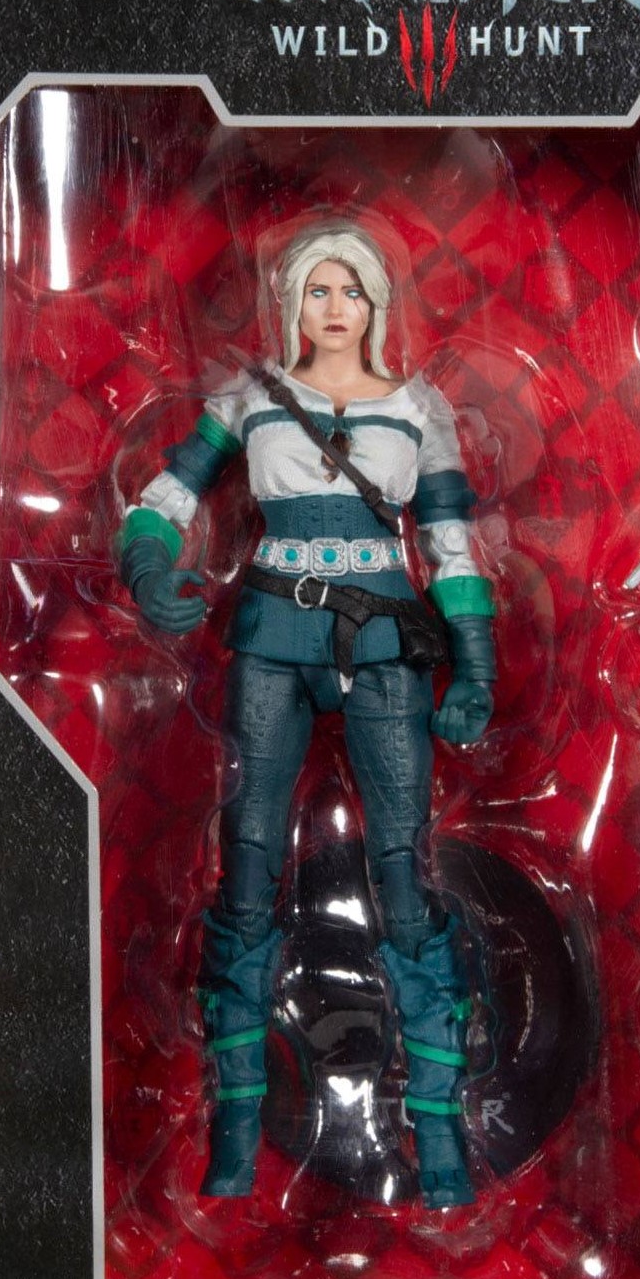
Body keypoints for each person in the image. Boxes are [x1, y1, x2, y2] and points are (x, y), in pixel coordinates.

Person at [117, 221, 497, 1208]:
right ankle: (235, 1132)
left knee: (404, 872)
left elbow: (450, 543)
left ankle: (439, 1140)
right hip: (272, 634)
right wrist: (148, 563)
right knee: (247, 866)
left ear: (377, 304)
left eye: (352, 291)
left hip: (384, 642)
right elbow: (165, 493)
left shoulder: (417, 407)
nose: (335, 308)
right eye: (318, 290)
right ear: (291, 302)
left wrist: (474, 667)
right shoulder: (248, 398)